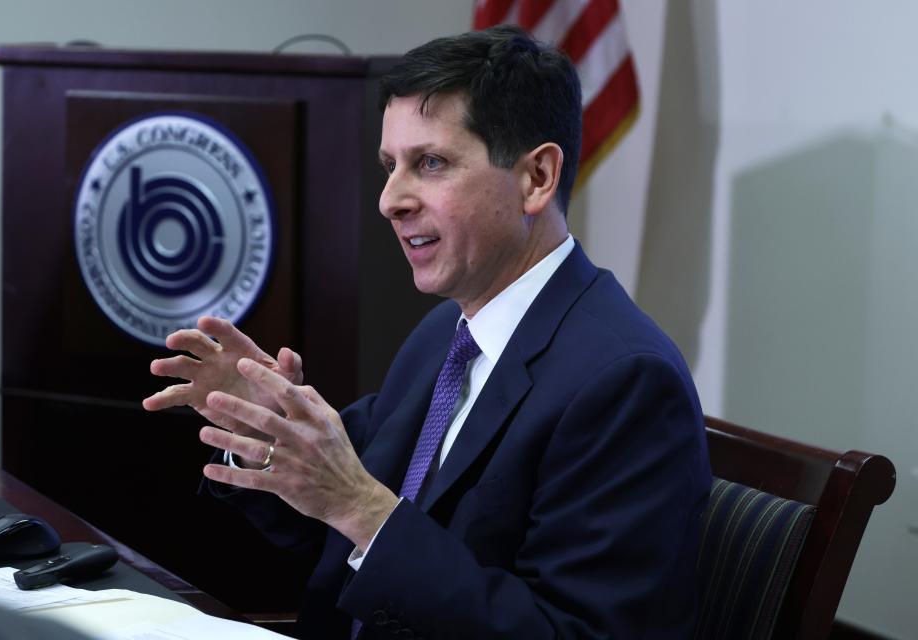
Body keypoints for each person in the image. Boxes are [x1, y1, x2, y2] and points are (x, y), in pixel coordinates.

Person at [144, 25, 711, 640]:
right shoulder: (446, 333)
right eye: (390, 166)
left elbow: (569, 634)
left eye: (430, 163)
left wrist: (362, 507)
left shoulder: (624, 382)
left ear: (536, 178)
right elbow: (331, 525)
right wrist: (269, 433)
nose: (390, 200)